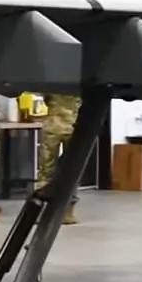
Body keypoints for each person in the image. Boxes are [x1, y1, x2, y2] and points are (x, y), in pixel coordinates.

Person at [35, 93, 82, 225]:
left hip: (53, 125)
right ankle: (67, 211)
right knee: (72, 170)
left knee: (46, 169)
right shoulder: (79, 80)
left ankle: (43, 210)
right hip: (73, 125)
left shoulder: (54, 79)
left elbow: (46, 98)